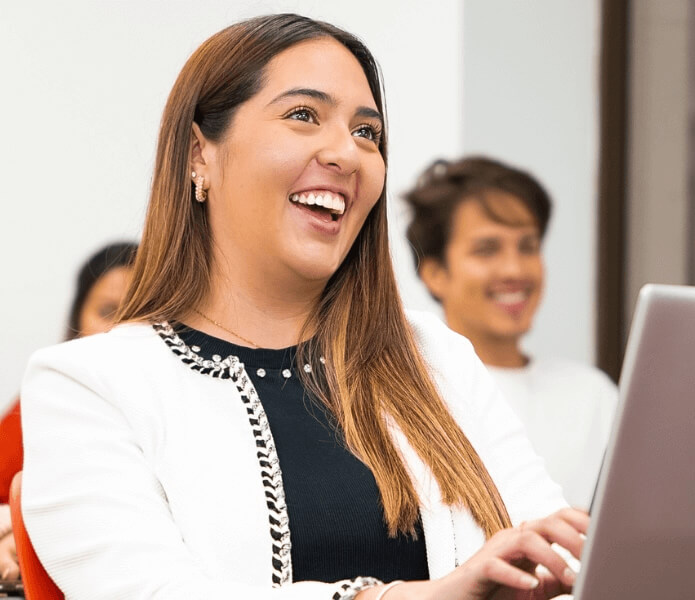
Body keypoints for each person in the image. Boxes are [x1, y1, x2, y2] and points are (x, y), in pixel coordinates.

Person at [19, 14, 588, 600]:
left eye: (367, 132)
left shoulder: (433, 356)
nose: (346, 152)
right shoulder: (86, 386)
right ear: (199, 155)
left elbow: (547, 548)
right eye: (303, 116)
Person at [405, 157, 618, 508]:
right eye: (487, 249)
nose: (514, 269)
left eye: (528, 247)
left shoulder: (593, 396)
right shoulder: (411, 394)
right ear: (435, 273)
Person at [0, 241, 137, 580]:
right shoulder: (41, 402)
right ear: (78, 316)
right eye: (107, 312)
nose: (120, 329)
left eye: (139, 314)